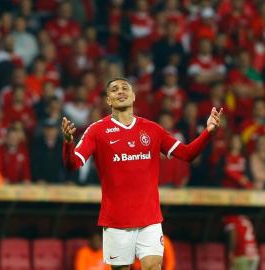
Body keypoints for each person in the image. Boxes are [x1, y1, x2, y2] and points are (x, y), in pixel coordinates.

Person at [62, 77, 222, 269]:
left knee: (153, 266)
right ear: (108, 100)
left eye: (124, 88)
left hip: (150, 218)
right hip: (116, 220)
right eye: (114, 89)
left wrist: (208, 132)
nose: (120, 91)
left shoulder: (152, 129)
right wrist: (68, 142)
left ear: (134, 96)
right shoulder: (96, 131)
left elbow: (187, 154)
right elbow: (73, 164)